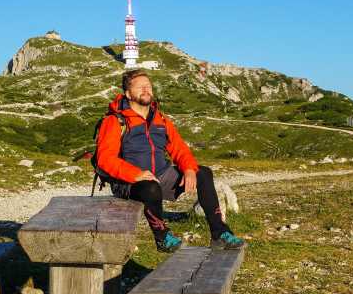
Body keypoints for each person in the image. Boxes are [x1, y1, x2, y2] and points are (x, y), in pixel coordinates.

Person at [96, 69, 246, 253]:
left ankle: (220, 233)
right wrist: (136, 174)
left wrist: (189, 169)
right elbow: (105, 159)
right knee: (151, 187)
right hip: (128, 182)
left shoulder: (160, 119)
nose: (146, 90)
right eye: (140, 87)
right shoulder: (115, 121)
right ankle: (162, 237)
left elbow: (179, 149)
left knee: (203, 173)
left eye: (148, 86)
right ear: (128, 93)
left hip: (160, 175)